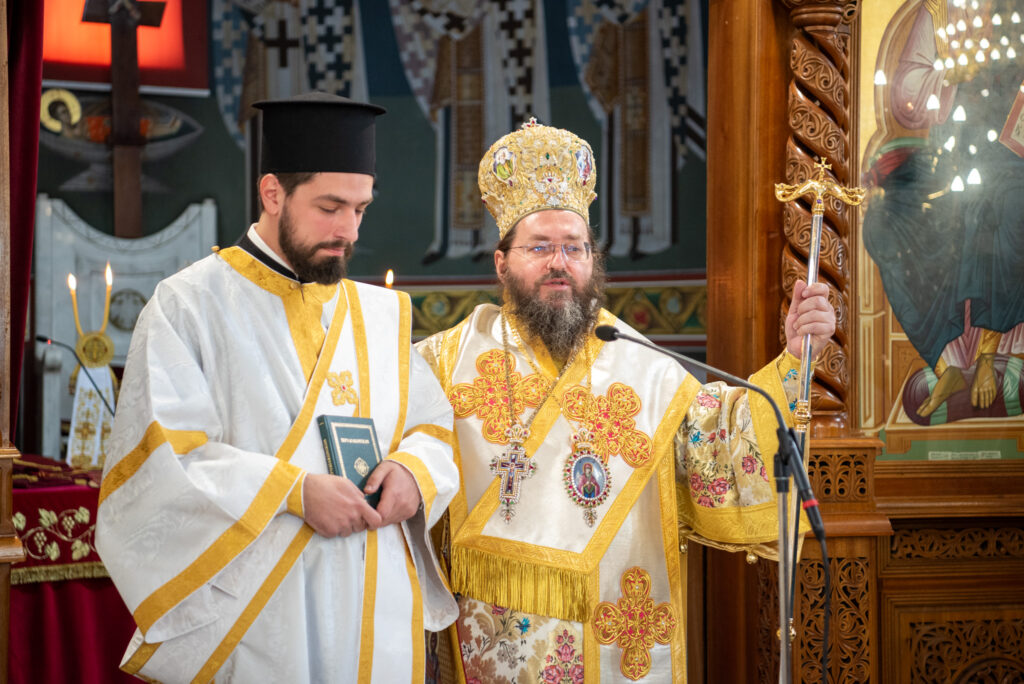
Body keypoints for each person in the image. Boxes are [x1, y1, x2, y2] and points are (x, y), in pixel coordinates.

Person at [416, 120, 836, 682]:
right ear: (501, 262)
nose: (559, 262)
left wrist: (793, 359)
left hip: (616, 625)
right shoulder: (445, 363)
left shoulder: (635, 361)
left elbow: (712, 443)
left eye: (574, 247)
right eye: (539, 247)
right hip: (493, 637)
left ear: (592, 259)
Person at [95, 92, 459, 683]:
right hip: (267, 612)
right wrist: (293, 491)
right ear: (272, 194)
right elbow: (162, 462)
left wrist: (414, 473)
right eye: (330, 207)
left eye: (361, 209)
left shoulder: (379, 315)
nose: (348, 230)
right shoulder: (189, 305)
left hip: (375, 595)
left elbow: (432, 428)